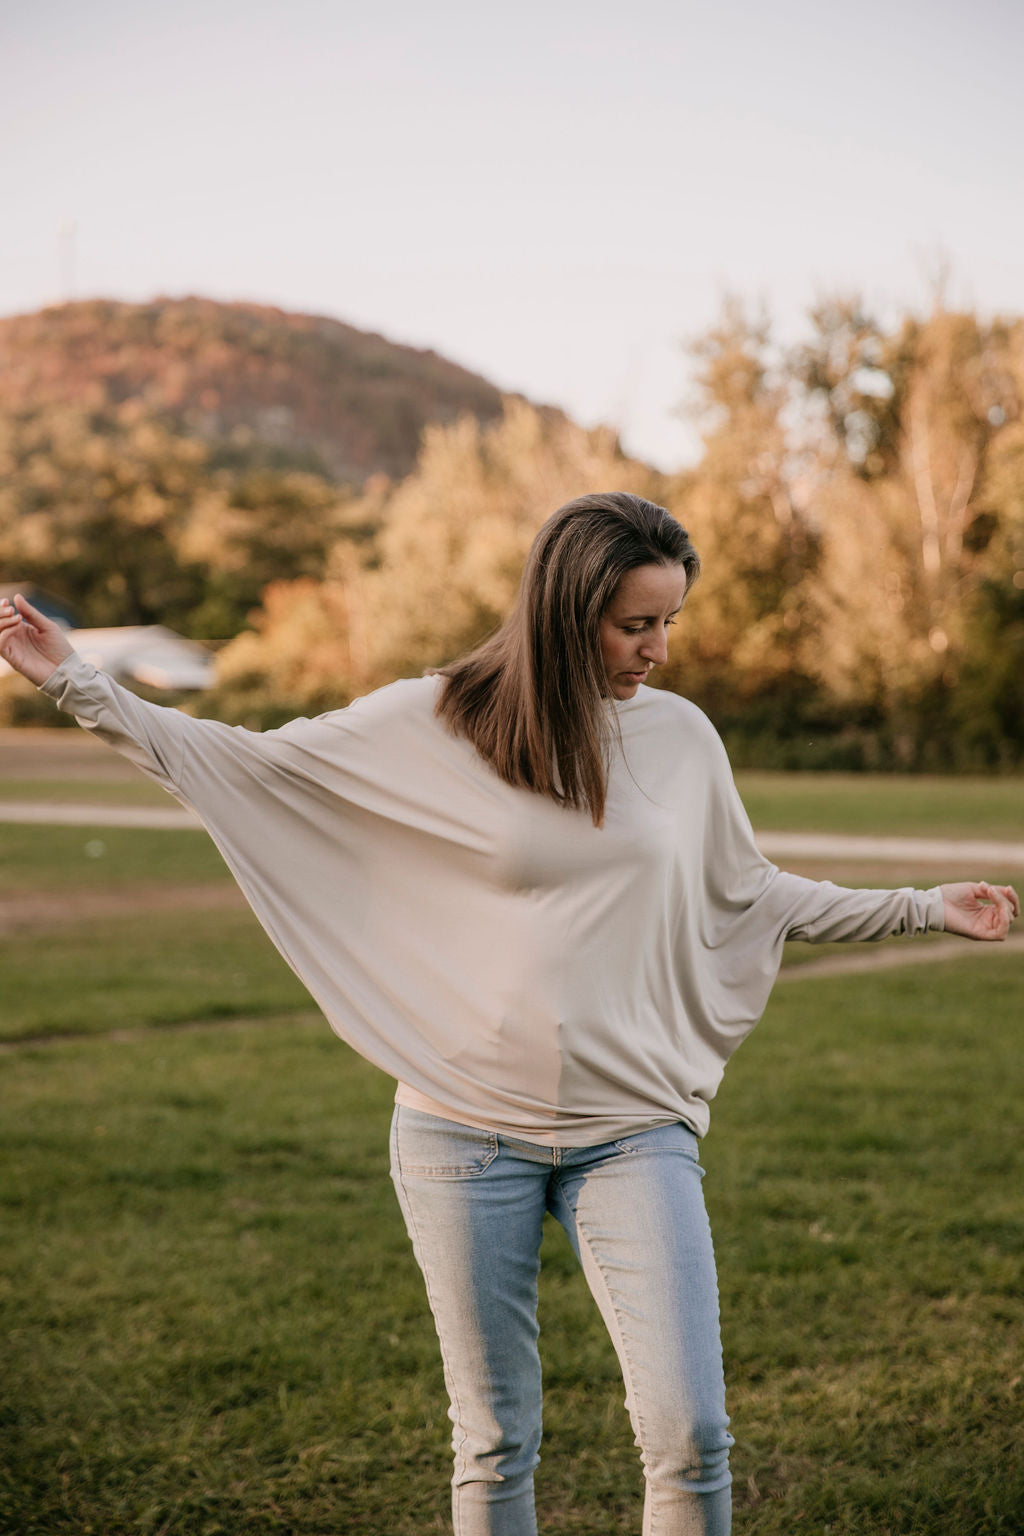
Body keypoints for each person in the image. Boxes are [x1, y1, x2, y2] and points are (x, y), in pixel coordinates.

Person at [0, 492, 1017, 1536]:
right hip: (460, 1129)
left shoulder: (679, 738)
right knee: (492, 1444)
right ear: (566, 610)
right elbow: (242, 763)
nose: (658, 649)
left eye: (669, 622)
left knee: (691, 1436)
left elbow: (747, 893)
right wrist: (77, 682)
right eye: (636, 624)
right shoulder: (432, 718)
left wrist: (923, 907)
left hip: (633, 1130)